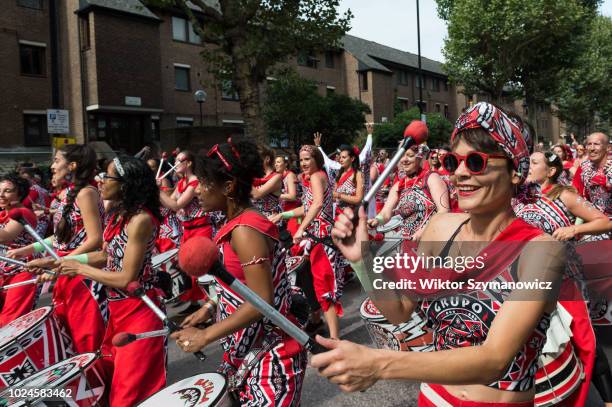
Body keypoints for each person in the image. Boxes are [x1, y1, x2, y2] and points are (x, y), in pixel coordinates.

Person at [313, 102, 565, 406]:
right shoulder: (440, 228)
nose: (459, 174)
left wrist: (379, 363)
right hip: (434, 397)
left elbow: (494, 358)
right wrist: (362, 260)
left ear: (514, 172)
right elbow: (400, 310)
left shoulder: (542, 251)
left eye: (475, 162)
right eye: (451, 162)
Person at [173, 140, 306, 406]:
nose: (197, 190)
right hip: (249, 352)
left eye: (205, 182)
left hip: (271, 358)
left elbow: (261, 302)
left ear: (229, 187)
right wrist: (210, 307)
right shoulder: (234, 222)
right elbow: (241, 283)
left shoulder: (245, 230)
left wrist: (205, 336)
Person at [56, 156, 166, 406]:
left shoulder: (141, 220)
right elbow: (105, 254)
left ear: (126, 184)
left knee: (127, 397)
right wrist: (58, 263)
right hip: (117, 311)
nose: (100, 181)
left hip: (140, 312)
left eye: (107, 177)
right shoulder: (119, 214)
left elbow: (127, 277)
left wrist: (79, 270)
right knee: (111, 383)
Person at [8, 144, 106, 354]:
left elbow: (95, 239)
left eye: (56, 161)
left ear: (72, 166)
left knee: (87, 338)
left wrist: (57, 264)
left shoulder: (86, 193)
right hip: (66, 270)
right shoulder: (70, 193)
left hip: (82, 275)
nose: (52, 166)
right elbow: (62, 238)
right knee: (68, 334)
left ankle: (99, 383)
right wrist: (28, 249)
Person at [271, 146, 342, 339]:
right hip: (312, 238)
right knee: (307, 281)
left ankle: (335, 339)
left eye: (307, 159)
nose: (303, 163)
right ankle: (316, 321)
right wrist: (283, 214)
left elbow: (317, 203)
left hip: (322, 239)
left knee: (324, 288)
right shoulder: (311, 178)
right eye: (301, 160)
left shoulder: (318, 176)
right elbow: (307, 207)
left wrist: (302, 228)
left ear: (317, 160)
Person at [368, 144, 450, 241]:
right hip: (407, 243)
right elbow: (386, 213)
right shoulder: (398, 185)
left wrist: (423, 232)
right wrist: (377, 220)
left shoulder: (431, 178)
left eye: (410, 155)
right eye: (401, 156)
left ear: (419, 157)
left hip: (432, 240)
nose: (404, 159)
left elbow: (444, 211)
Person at [0, 173, 40, 324]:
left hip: (24, 270)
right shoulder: (4, 213)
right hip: (5, 270)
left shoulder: (23, 213)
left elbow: (5, 236)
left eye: (7, 191)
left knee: (11, 319)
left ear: (20, 193)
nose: (1, 195)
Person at [572, 132, 611, 232]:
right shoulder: (584, 167)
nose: (592, 148)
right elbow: (575, 193)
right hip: (592, 221)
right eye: (589, 144)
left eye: (596, 144)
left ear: (607, 148)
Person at [251, 146, 283, 219]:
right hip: (255, 219)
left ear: (267, 159)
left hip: (270, 220)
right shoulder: (257, 176)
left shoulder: (276, 177)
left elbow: (257, 194)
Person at [333, 145, 365, 215]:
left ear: (352, 158)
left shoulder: (358, 174)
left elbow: (358, 199)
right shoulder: (339, 174)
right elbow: (334, 196)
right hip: (338, 213)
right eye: (340, 157)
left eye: (344, 157)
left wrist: (339, 195)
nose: (341, 160)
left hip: (352, 214)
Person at [275, 154, 300, 235]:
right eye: (275, 162)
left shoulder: (290, 175)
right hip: (286, 213)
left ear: (285, 164)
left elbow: (292, 196)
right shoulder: (281, 176)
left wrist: (276, 194)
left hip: (295, 213)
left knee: (295, 236)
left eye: (278, 162)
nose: (275, 164)